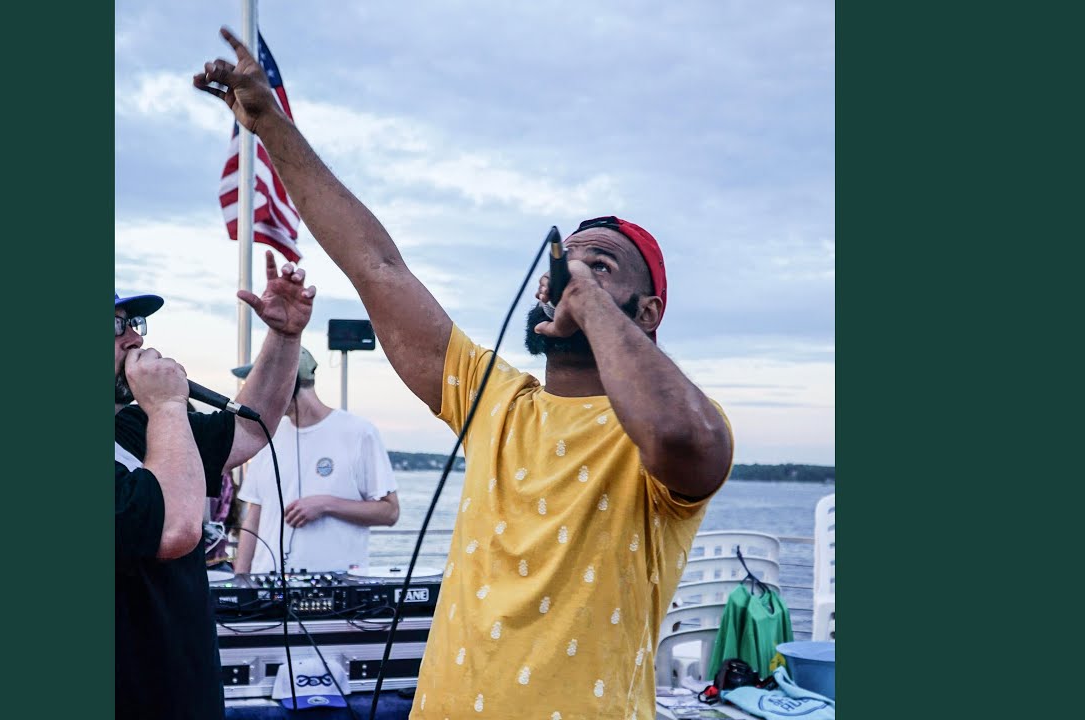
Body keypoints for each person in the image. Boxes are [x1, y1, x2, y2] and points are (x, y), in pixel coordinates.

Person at [194, 30, 734, 719]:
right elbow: (377, 266)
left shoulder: (673, 427)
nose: (570, 276)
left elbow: (684, 439)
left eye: (600, 265)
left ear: (649, 311)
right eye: (565, 263)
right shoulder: (494, 398)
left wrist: (590, 301)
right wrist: (271, 125)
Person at [114, 251, 315, 720]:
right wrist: (168, 405)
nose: (137, 338)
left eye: (135, 323)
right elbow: (173, 531)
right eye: (117, 326)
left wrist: (285, 337)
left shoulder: (136, 427)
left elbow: (249, 430)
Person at [231, 345, 400, 574]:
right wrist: (241, 578)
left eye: (261, 383)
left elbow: (390, 512)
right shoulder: (265, 435)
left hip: (337, 586)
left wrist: (326, 504)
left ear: (288, 381)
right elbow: (254, 517)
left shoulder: (359, 432)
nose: (256, 394)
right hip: (267, 586)